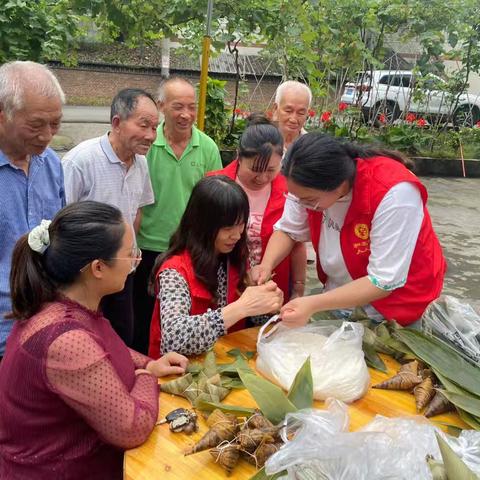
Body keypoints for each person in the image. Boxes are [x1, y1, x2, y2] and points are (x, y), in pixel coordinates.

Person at [0, 201, 188, 479]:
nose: (136, 261)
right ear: (98, 268)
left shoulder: (66, 305)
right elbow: (131, 427)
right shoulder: (66, 340)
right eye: (129, 254)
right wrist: (147, 375)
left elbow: (108, 349)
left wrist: (151, 363)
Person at [251, 133, 446, 327]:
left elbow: (382, 281)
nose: (301, 204)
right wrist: (266, 265)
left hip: (398, 307)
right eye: (296, 197)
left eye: (309, 200)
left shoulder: (394, 193)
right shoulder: (305, 185)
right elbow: (288, 229)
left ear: (340, 185)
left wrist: (312, 304)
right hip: (341, 295)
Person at [133, 76, 222, 354]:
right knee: (143, 319)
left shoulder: (207, 147)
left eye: (192, 107)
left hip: (190, 252)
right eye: (178, 107)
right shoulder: (147, 147)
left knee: (187, 320)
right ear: (161, 106)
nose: (186, 115)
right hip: (149, 248)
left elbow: (215, 200)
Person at [148, 176, 283, 358]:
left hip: (227, 361)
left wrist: (268, 306)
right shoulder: (174, 271)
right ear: (202, 225)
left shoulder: (235, 258)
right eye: (228, 228)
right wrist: (241, 307)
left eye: (241, 225)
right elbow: (173, 338)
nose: (236, 235)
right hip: (182, 374)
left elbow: (254, 320)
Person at [63, 88, 158, 346]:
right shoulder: (80, 161)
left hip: (122, 272)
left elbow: (137, 209)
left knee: (121, 337)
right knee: (85, 340)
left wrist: (130, 251)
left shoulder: (141, 162)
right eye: (144, 125)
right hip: (85, 278)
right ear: (117, 123)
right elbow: (61, 224)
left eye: (155, 127)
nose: (151, 135)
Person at [0, 61, 66, 358]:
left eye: (55, 124)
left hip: (42, 326)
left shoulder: (50, 164)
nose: (47, 136)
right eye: (36, 125)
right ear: (3, 117)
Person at [208, 115, 307, 301]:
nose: (261, 178)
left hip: (272, 288)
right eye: (254, 169)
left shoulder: (290, 192)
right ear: (239, 156)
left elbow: (296, 243)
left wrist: (298, 288)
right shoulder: (214, 186)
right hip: (223, 288)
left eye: (270, 170)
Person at [272, 80, 312, 152]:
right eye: (288, 111)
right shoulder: (261, 142)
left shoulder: (312, 146)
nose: (293, 119)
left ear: (307, 113)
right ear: (275, 109)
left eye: (301, 113)